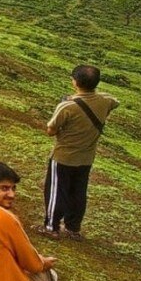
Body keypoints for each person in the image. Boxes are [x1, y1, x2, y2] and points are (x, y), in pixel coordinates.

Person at [36, 65, 119, 241]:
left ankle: (51, 226)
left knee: (56, 191)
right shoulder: (105, 102)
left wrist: (68, 101)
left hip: (64, 156)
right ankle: (73, 228)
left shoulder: (67, 106)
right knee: (78, 192)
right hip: (86, 158)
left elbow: (50, 130)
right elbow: (114, 101)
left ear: (75, 82)